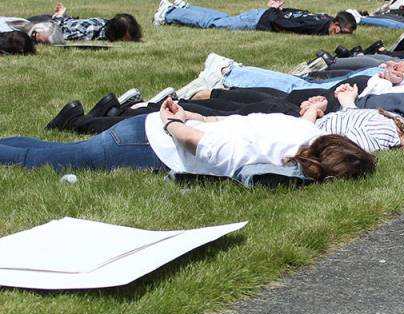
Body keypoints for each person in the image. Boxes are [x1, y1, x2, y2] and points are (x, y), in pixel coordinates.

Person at [0, 97, 376, 183]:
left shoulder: (303, 128)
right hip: (147, 143)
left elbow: (239, 121)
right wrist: (172, 124)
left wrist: (194, 115)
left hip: (144, 134)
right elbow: (207, 147)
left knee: (50, 150)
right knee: (42, 160)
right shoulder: (280, 157)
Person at [154, 0, 359, 36]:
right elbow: (287, 25)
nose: (339, 35)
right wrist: (273, 14)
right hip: (262, 19)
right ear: (335, 23)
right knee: (215, 24)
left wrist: (274, 9)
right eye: (340, 31)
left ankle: (186, 8)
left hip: (265, 13)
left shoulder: (321, 17)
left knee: (223, 17)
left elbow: (296, 15)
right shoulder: (318, 27)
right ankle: (170, 13)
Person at [9, 3, 143, 43]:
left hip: (58, 20)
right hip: (46, 23)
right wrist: (59, 17)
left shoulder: (104, 23)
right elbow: (59, 34)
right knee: (9, 29)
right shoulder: (90, 32)